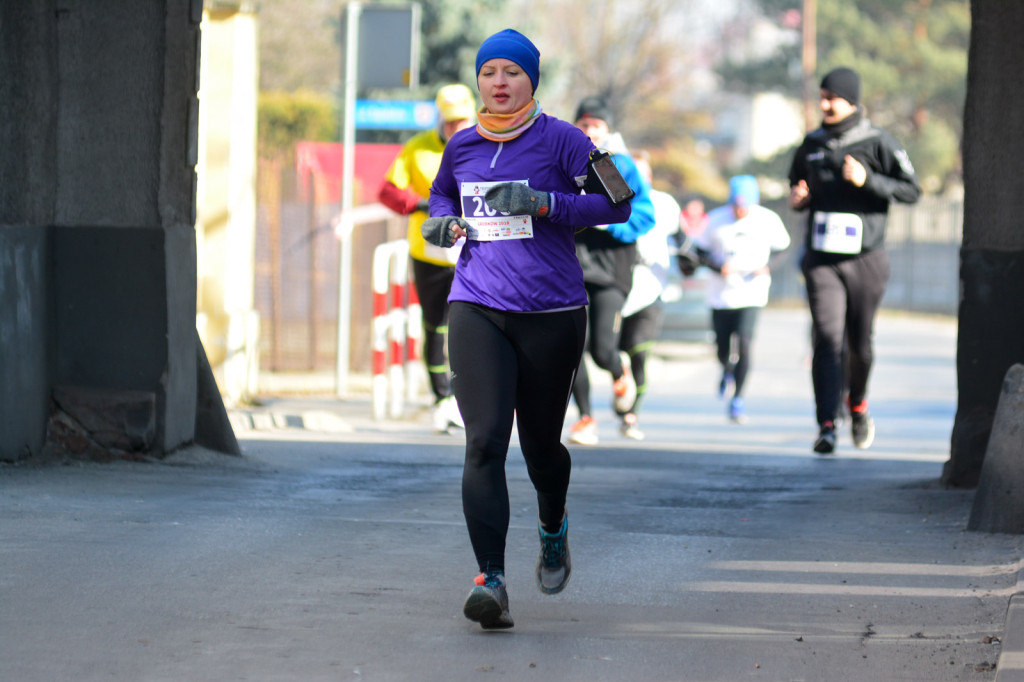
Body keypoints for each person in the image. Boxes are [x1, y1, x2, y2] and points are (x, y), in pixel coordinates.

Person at [422, 29, 632, 629]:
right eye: (490, 72)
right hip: (477, 304)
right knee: (483, 441)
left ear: (531, 81)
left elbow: (619, 201)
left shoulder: (566, 140)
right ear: (480, 81)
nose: (500, 82)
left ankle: (553, 525)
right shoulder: (461, 145)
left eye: (512, 72)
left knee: (540, 446)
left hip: (551, 312)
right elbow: (442, 197)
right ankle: (491, 579)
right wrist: (442, 225)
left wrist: (545, 204)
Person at [788, 66, 921, 454]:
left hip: (867, 258)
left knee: (859, 344)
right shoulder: (811, 143)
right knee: (827, 339)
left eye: (832, 97)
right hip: (822, 259)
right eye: (822, 97)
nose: (825, 104)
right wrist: (800, 199)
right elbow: (797, 187)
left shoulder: (879, 142)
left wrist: (869, 180)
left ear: (851, 100)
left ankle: (858, 406)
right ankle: (826, 424)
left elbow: (912, 190)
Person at [378, 84, 477, 433]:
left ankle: (470, 399)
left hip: (476, 250)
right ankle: (441, 400)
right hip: (431, 252)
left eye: (462, 120)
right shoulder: (417, 147)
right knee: (435, 327)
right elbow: (388, 190)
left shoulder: (485, 144)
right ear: (438, 118)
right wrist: (421, 205)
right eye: (449, 122)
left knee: (472, 328)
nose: (455, 128)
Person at [566, 96, 656, 446]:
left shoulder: (612, 165)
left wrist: (603, 221)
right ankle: (586, 418)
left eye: (596, 126)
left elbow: (642, 216)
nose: (589, 132)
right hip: (571, 268)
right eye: (583, 125)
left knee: (603, 349)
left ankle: (619, 374)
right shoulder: (562, 162)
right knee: (572, 348)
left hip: (611, 270)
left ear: (607, 131)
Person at [691, 175, 791, 424]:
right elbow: (699, 253)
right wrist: (718, 267)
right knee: (722, 346)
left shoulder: (768, 220)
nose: (739, 211)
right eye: (736, 206)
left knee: (745, 343)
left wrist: (767, 266)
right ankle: (726, 369)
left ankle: (738, 398)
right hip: (721, 294)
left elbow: (783, 249)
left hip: (752, 292)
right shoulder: (715, 220)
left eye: (744, 207)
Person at [614, 151, 681, 440]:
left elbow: (680, 237)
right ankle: (620, 378)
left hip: (652, 285)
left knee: (639, 351)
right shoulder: (612, 202)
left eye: (643, 173)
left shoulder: (665, 203)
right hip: (617, 284)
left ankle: (631, 416)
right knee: (607, 349)